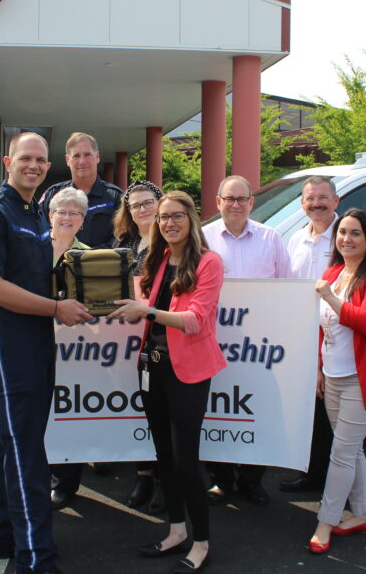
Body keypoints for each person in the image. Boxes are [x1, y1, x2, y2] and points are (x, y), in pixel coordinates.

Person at [0, 132, 91, 573]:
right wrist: (57, 307)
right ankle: (35, 557)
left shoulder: (37, 214)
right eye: (26, 158)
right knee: (26, 452)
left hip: (38, 343)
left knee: (11, 442)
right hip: (8, 345)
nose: (34, 165)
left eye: (41, 160)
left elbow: (40, 280)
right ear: (7, 161)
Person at [110, 191, 225, 574]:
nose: (169, 223)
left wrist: (149, 311)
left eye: (176, 216)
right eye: (162, 217)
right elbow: (140, 301)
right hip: (153, 367)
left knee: (186, 462)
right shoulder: (156, 260)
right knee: (164, 458)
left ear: (191, 219)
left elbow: (194, 320)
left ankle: (202, 542)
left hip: (188, 372)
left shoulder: (208, 262)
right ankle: (176, 530)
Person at [306, 209, 366, 554]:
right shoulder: (333, 271)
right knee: (352, 448)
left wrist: (331, 298)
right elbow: (324, 328)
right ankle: (361, 514)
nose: (346, 239)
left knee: (342, 453)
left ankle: (325, 521)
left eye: (355, 234)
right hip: (333, 375)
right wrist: (319, 368)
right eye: (342, 232)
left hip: (365, 379)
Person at [42, 133, 122, 509]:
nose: (68, 217)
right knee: (52, 407)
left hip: (88, 337)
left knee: (80, 403)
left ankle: (84, 463)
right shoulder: (33, 249)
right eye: (62, 212)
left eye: (76, 213)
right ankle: (56, 474)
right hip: (43, 338)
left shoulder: (91, 253)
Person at [202, 175, 289, 507]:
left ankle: (252, 482)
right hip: (216, 342)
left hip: (260, 346)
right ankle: (221, 481)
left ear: (252, 202)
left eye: (242, 199)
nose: (236, 205)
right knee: (218, 407)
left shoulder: (271, 238)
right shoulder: (203, 239)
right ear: (218, 201)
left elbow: (287, 289)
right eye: (230, 198)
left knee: (259, 410)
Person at [280, 176, 341, 493]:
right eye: (310, 199)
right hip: (305, 336)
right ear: (302, 203)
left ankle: (340, 481)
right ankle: (314, 472)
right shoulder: (296, 240)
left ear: (336, 200)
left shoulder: (346, 237)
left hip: (338, 335)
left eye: (322, 197)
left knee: (338, 412)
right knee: (312, 410)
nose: (316, 204)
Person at [112, 179, 165, 514]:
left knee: (160, 408)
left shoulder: (171, 240)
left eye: (148, 203)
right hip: (126, 337)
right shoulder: (124, 242)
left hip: (160, 333)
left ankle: (163, 479)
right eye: (136, 206)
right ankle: (143, 474)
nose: (143, 210)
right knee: (136, 406)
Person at [40, 132, 123, 249]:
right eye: (76, 156)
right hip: (58, 264)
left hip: (100, 263)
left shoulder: (115, 197)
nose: (82, 161)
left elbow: (122, 235)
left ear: (97, 157)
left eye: (87, 155)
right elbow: (39, 229)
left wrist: (90, 255)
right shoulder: (53, 194)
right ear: (67, 160)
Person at [48, 187, 90, 261]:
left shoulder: (89, 254)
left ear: (82, 219)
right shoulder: (33, 247)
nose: (67, 218)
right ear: (51, 216)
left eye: (73, 213)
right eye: (61, 212)